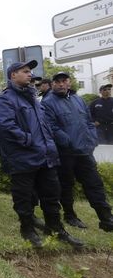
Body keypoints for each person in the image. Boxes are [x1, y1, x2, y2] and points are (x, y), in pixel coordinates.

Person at [0, 61, 84, 248]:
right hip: (23, 158)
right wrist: (29, 140)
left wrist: (48, 145)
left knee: (51, 195)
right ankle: (27, 229)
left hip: (45, 157)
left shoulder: (35, 99)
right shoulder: (5, 99)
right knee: (24, 197)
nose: (29, 74)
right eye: (25, 71)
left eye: (30, 72)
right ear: (13, 76)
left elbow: (45, 126)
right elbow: (6, 127)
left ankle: (56, 228)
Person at [41, 72, 113, 232]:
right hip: (65, 153)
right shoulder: (47, 102)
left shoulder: (78, 99)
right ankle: (69, 215)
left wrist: (93, 139)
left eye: (64, 81)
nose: (60, 84)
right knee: (66, 186)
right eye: (57, 81)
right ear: (53, 84)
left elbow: (89, 121)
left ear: (69, 82)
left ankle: (106, 218)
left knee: (94, 184)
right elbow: (51, 127)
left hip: (85, 152)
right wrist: (68, 142)